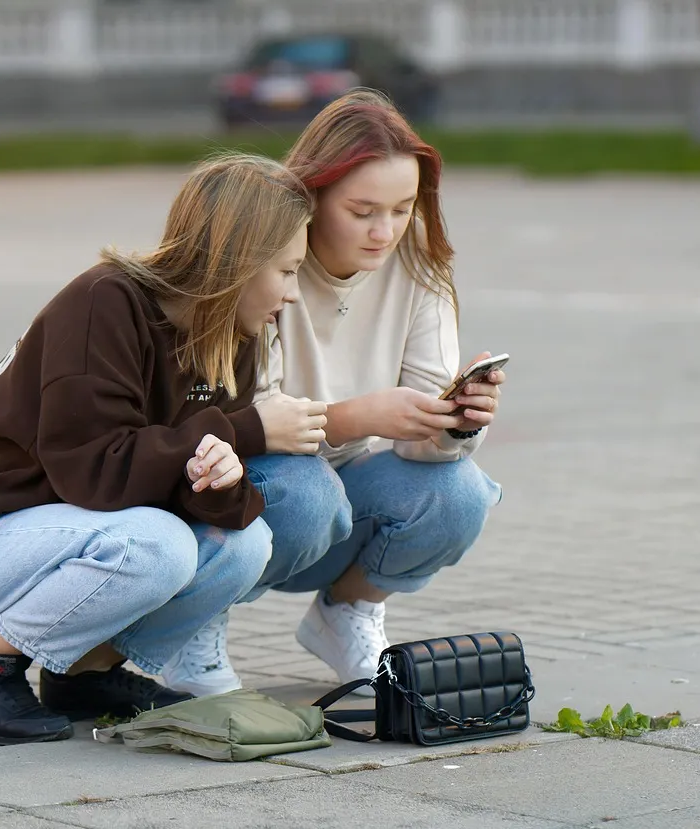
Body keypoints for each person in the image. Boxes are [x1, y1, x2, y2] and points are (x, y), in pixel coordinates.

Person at [0, 153, 319, 745]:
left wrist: (221, 474)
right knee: (161, 545)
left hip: (73, 537)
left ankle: (86, 672)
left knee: (245, 543)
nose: (294, 294)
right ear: (237, 262)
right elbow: (97, 474)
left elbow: (186, 486)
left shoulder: (233, 334)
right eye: (287, 271)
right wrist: (244, 432)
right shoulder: (106, 302)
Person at [161, 91, 505, 697]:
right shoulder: (261, 259)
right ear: (310, 196)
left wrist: (455, 425)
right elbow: (240, 418)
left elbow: (427, 442)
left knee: (460, 495)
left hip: (341, 498)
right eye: (363, 210)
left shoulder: (419, 261)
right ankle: (196, 622)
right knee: (307, 489)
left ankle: (345, 613)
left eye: (402, 208)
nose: (385, 232)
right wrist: (356, 418)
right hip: (241, 490)